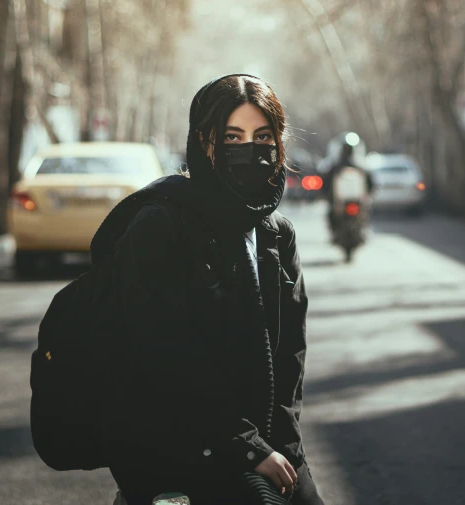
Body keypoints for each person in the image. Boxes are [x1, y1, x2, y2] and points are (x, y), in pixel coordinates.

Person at [101, 74, 325, 505]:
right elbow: (165, 353)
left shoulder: (277, 235)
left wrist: (286, 450)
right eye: (232, 136)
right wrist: (247, 446)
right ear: (206, 143)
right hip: (176, 446)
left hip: (265, 446)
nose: (251, 150)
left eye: (263, 137)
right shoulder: (159, 226)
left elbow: (290, 355)